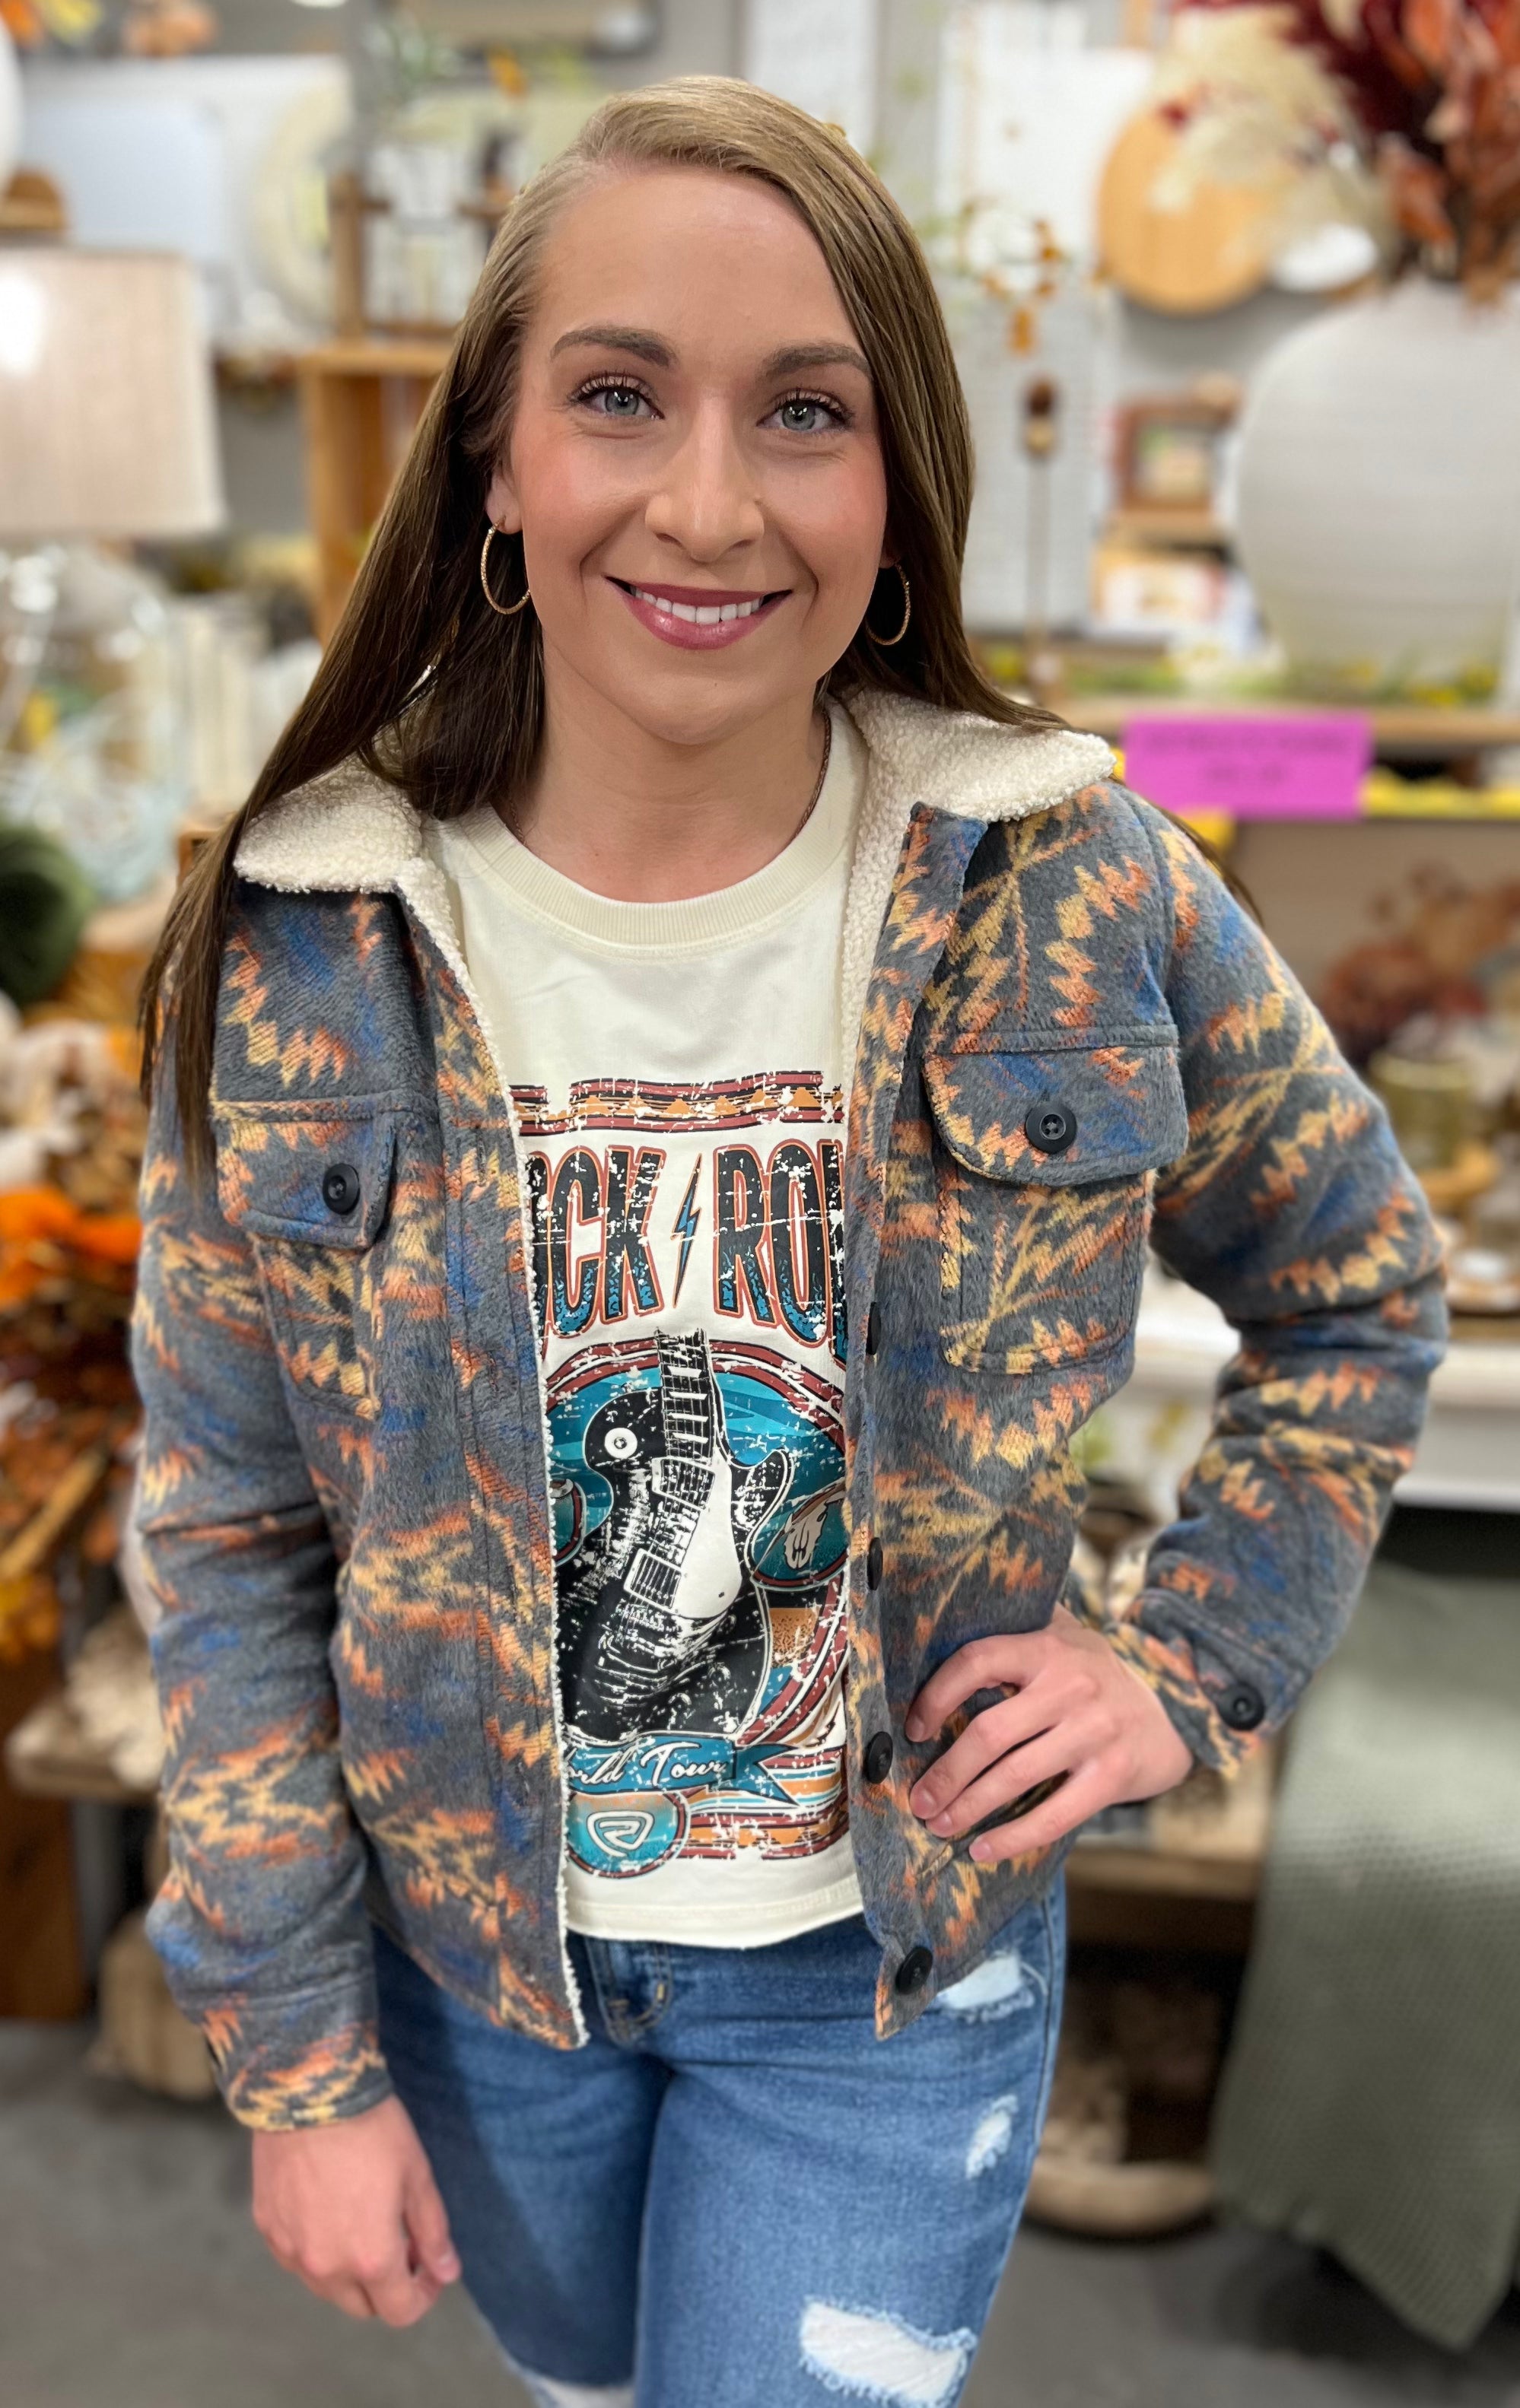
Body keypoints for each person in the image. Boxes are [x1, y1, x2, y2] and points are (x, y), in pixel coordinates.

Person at [133, 75, 1445, 2408]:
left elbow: (1355, 1286)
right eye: (619, 394)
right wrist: (296, 2053)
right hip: (479, 1973)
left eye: (807, 413)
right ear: (496, 464)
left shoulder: (1070, 889)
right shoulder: (306, 938)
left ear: (896, 482)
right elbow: (229, 1529)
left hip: (888, 1978)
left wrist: (1187, 1664)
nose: (713, 501)